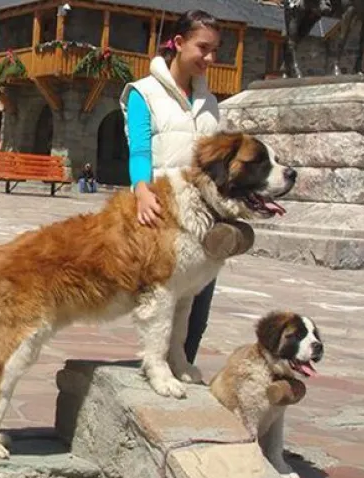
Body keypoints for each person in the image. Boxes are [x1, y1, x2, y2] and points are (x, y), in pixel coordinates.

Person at [120, 10, 254, 364]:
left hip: (205, 223)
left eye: (216, 50)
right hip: (164, 217)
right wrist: (142, 189)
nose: (210, 58)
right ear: (178, 43)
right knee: (163, 307)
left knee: (196, 316)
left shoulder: (209, 102)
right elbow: (140, 149)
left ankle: (181, 376)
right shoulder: (142, 93)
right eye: (203, 48)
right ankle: (156, 373)